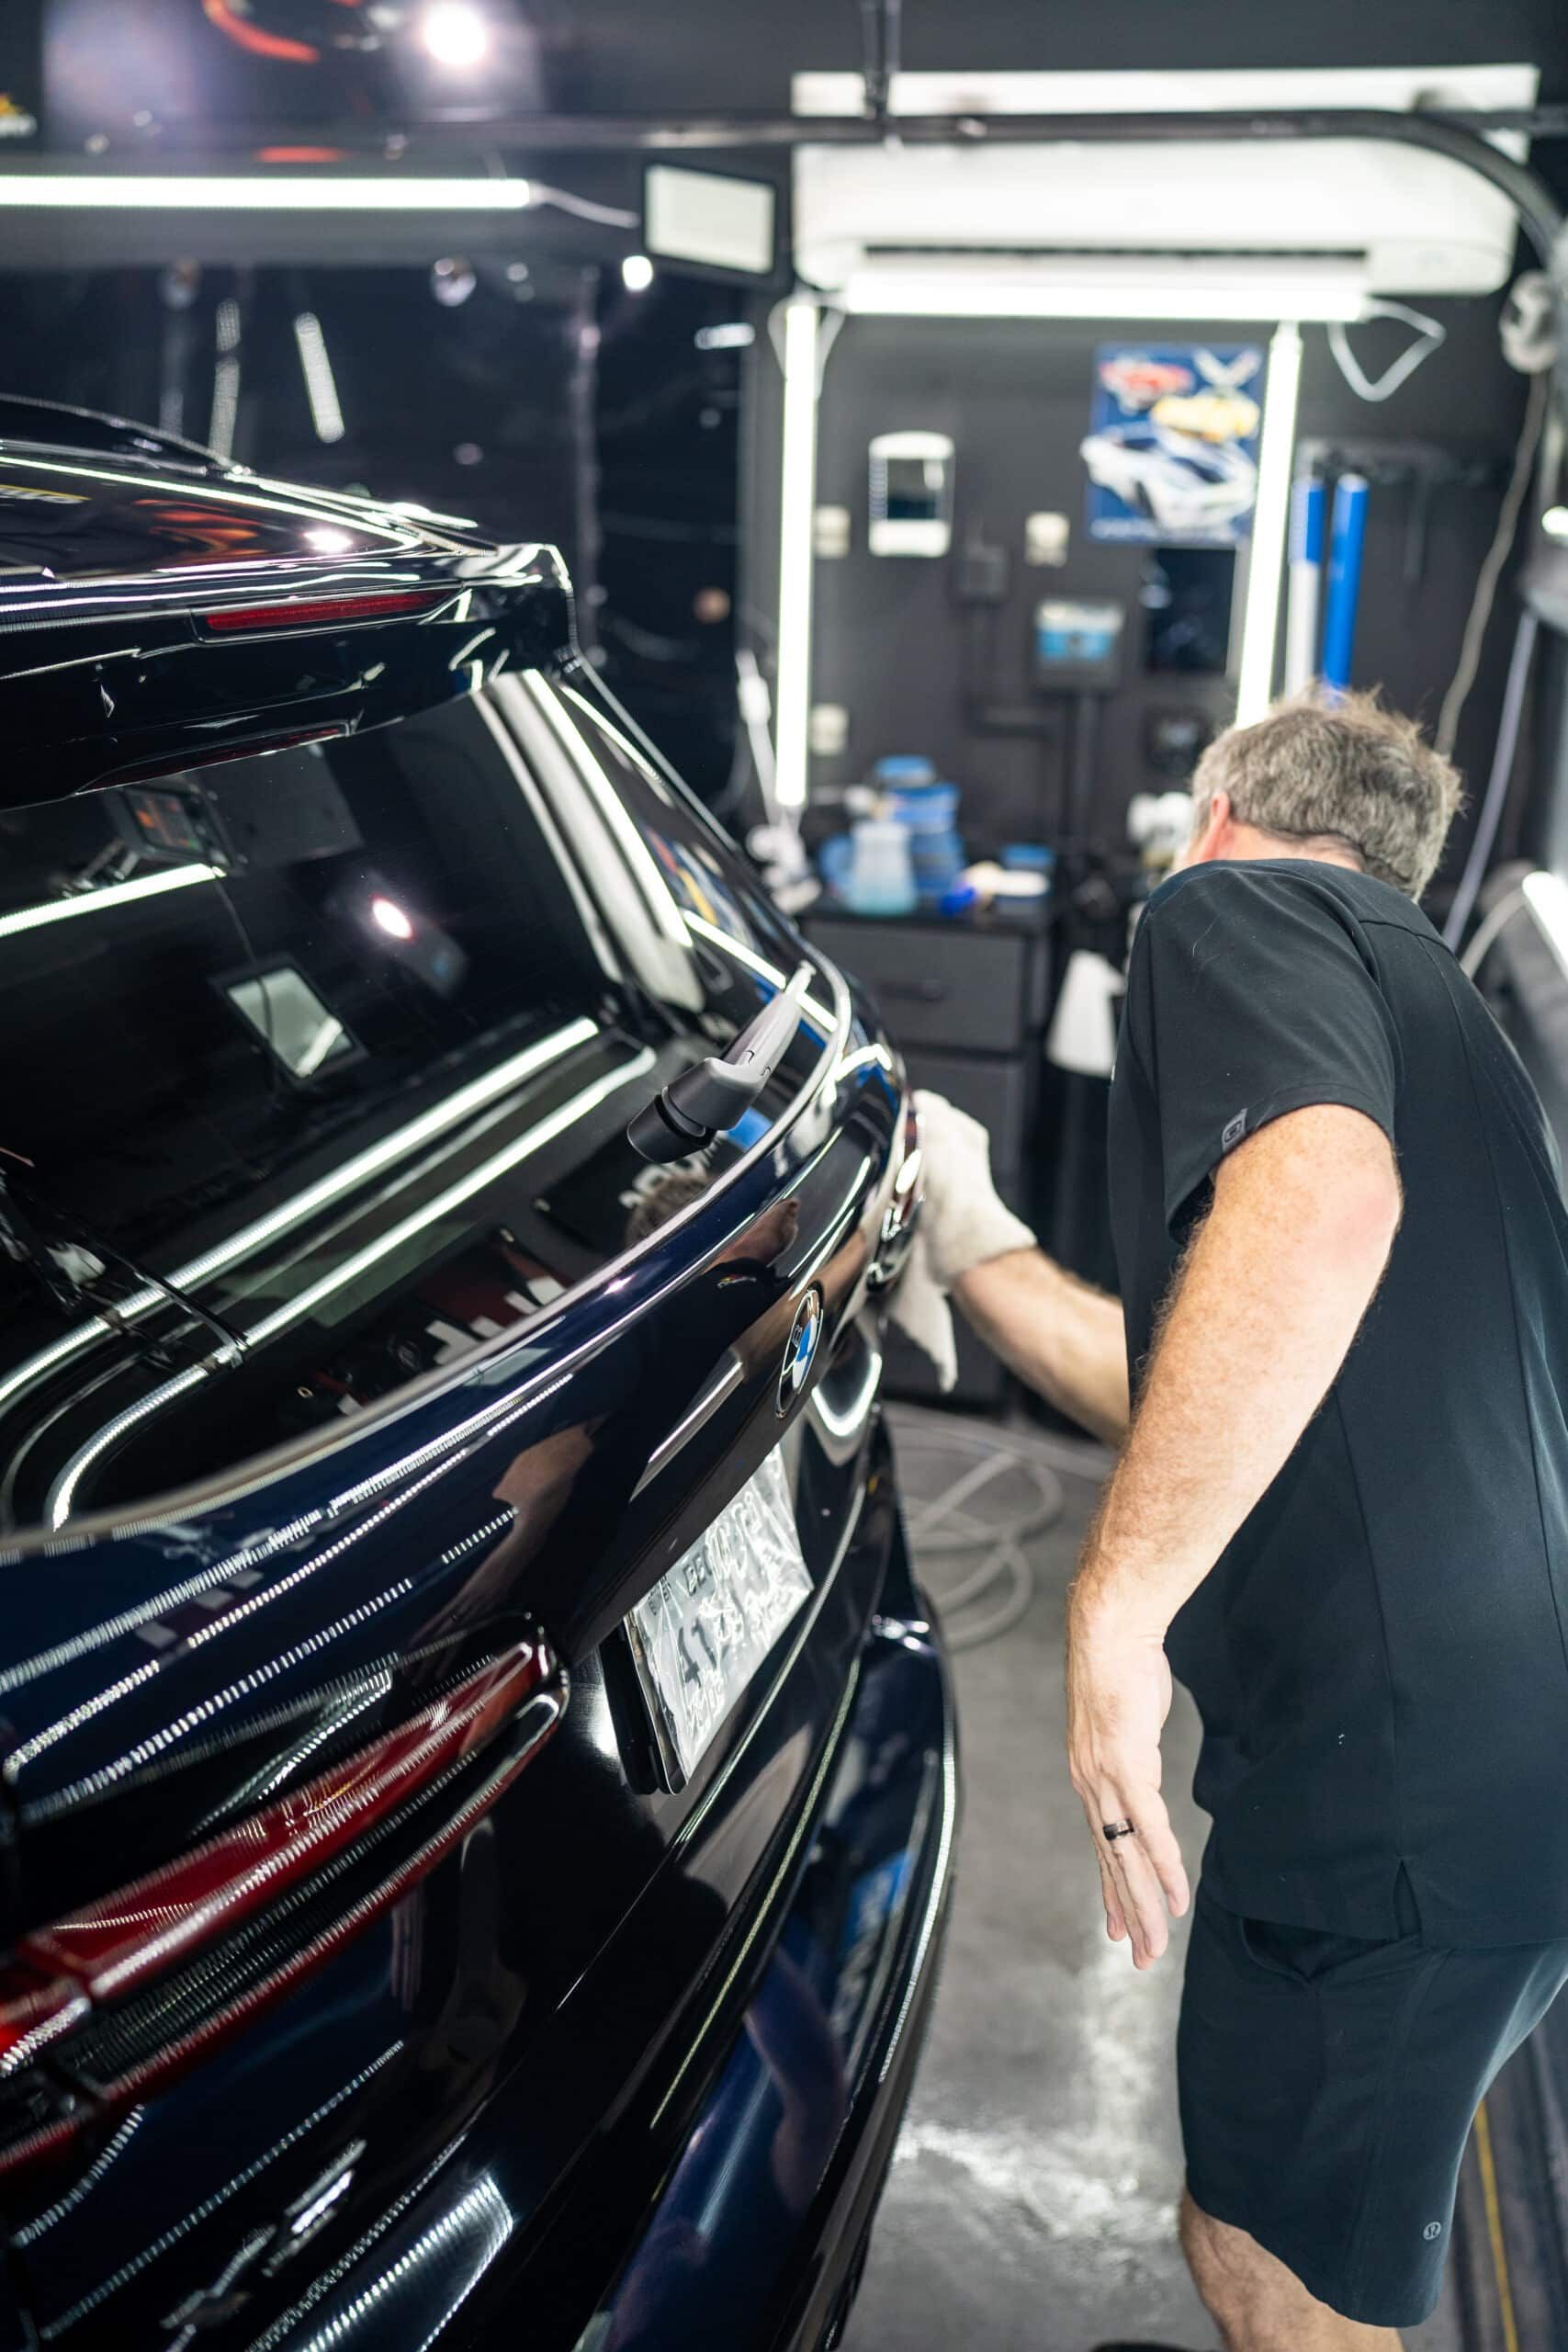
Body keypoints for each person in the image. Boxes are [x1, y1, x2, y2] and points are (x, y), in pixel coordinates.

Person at [911, 687, 1568, 2352]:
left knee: (1286, 2273)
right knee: (1262, 2215)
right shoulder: (1443, 1014)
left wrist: (1111, 1614)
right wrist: (971, 1236)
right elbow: (1216, 1398)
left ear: (1217, 815)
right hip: (1494, 1769)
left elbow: (1322, 1197)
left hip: (1404, 1796)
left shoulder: (1239, 901)